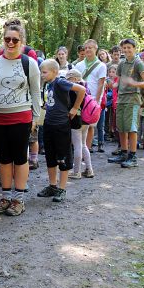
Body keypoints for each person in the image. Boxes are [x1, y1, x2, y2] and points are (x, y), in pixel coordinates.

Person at [0, 19, 41, 217]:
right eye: (7, 39)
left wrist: (36, 117)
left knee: (19, 157)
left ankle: (19, 198)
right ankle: (5, 195)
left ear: (22, 41)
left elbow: (36, 92)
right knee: (3, 158)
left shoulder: (30, 64)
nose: (10, 43)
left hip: (21, 117)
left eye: (15, 40)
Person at [38, 61, 85, 202]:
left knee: (62, 157)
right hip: (49, 124)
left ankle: (62, 189)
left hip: (61, 125)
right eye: (42, 72)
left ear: (54, 71)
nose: (42, 74)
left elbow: (81, 90)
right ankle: (52, 186)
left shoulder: (60, 82)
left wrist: (75, 108)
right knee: (50, 157)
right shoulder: (48, 84)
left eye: (44, 72)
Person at [107, 38, 144, 168]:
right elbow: (117, 82)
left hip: (133, 99)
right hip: (121, 98)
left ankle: (133, 156)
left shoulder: (138, 63)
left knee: (131, 128)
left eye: (128, 48)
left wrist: (134, 83)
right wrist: (111, 85)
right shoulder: (121, 63)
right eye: (124, 48)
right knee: (121, 127)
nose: (126, 50)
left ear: (134, 48)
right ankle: (124, 153)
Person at [75, 39, 107, 151]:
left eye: (90, 48)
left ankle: (86, 149)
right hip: (80, 98)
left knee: (90, 125)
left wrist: (96, 102)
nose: (88, 50)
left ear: (95, 49)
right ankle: (78, 148)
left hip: (92, 99)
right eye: (86, 48)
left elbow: (101, 84)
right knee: (79, 124)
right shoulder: (78, 65)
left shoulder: (101, 66)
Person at [64, 69, 94, 179]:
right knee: (83, 144)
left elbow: (71, 105)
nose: (67, 82)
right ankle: (89, 169)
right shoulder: (86, 87)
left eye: (69, 79)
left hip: (76, 119)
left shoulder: (74, 89)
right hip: (87, 119)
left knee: (77, 146)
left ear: (75, 79)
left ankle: (77, 172)